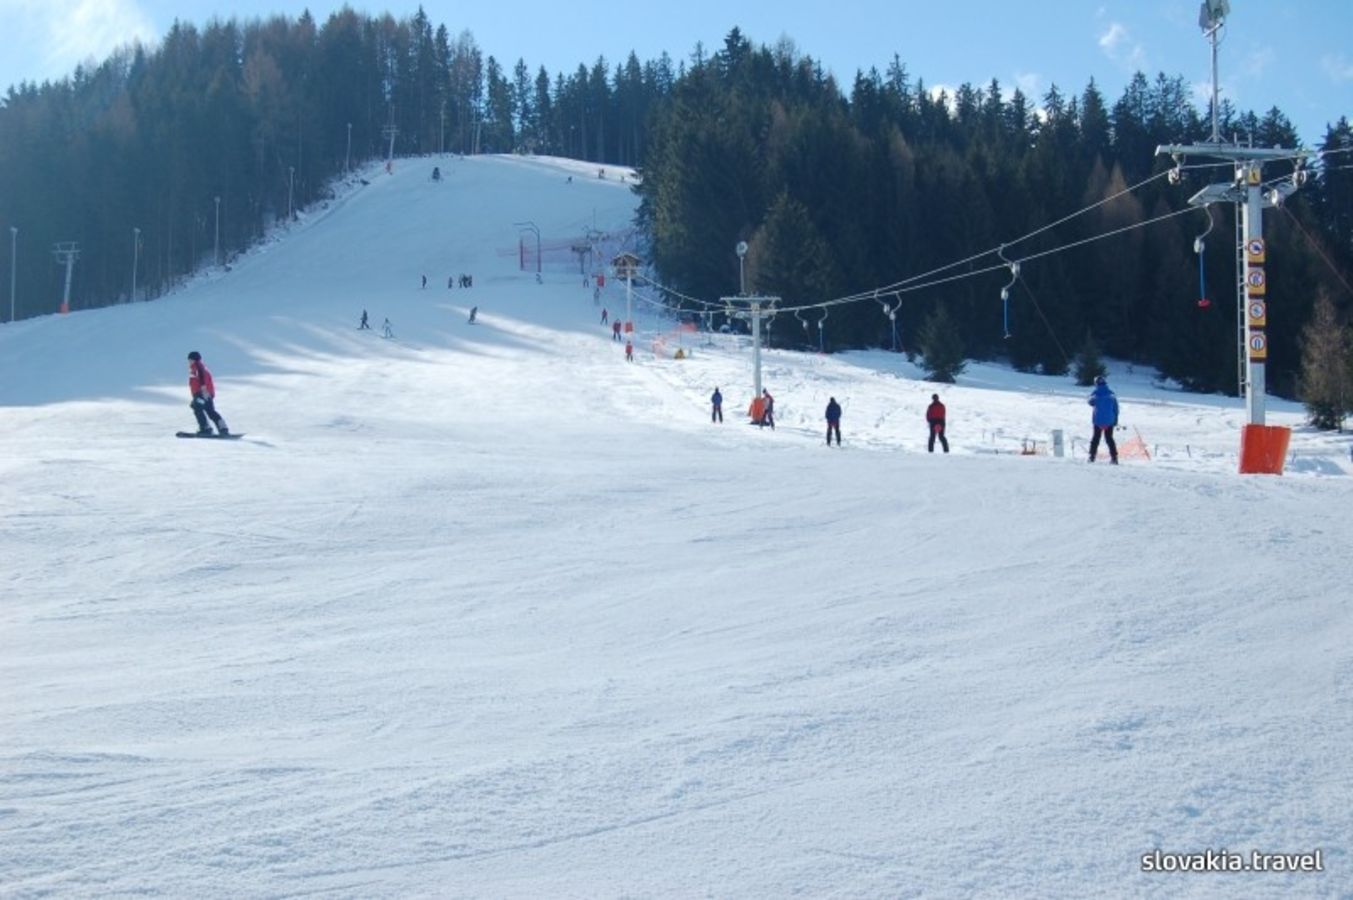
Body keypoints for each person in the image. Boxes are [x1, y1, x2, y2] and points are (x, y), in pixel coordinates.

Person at [187, 351, 228, 436]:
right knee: (210, 411)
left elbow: (201, 376)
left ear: (194, 359)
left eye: (190, 359)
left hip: (202, 393)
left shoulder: (197, 366)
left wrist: (203, 388)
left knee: (197, 407)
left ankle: (205, 428)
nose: (189, 362)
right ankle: (223, 428)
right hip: (207, 394)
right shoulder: (201, 367)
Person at [1088, 375, 1119, 464]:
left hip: (1098, 420)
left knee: (1095, 438)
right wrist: (1115, 419)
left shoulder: (1095, 393)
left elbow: (1090, 402)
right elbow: (1116, 408)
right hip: (1109, 420)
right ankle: (1114, 458)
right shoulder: (1111, 393)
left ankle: (1092, 456)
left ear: (1096, 383)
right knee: (1109, 439)